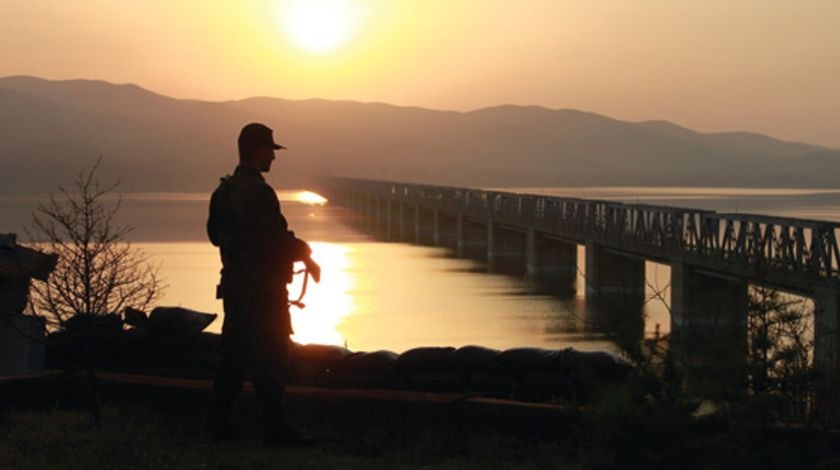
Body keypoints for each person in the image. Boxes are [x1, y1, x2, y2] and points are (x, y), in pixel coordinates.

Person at [207, 122, 321, 446]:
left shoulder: (223, 191)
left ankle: (222, 425)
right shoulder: (260, 192)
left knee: (233, 357)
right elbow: (276, 239)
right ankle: (273, 427)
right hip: (264, 291)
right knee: (272, 357)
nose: (274, 156)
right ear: (257, 151)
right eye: (270, 150)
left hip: (235, 289)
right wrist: (306, 254)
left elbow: (215, 236)